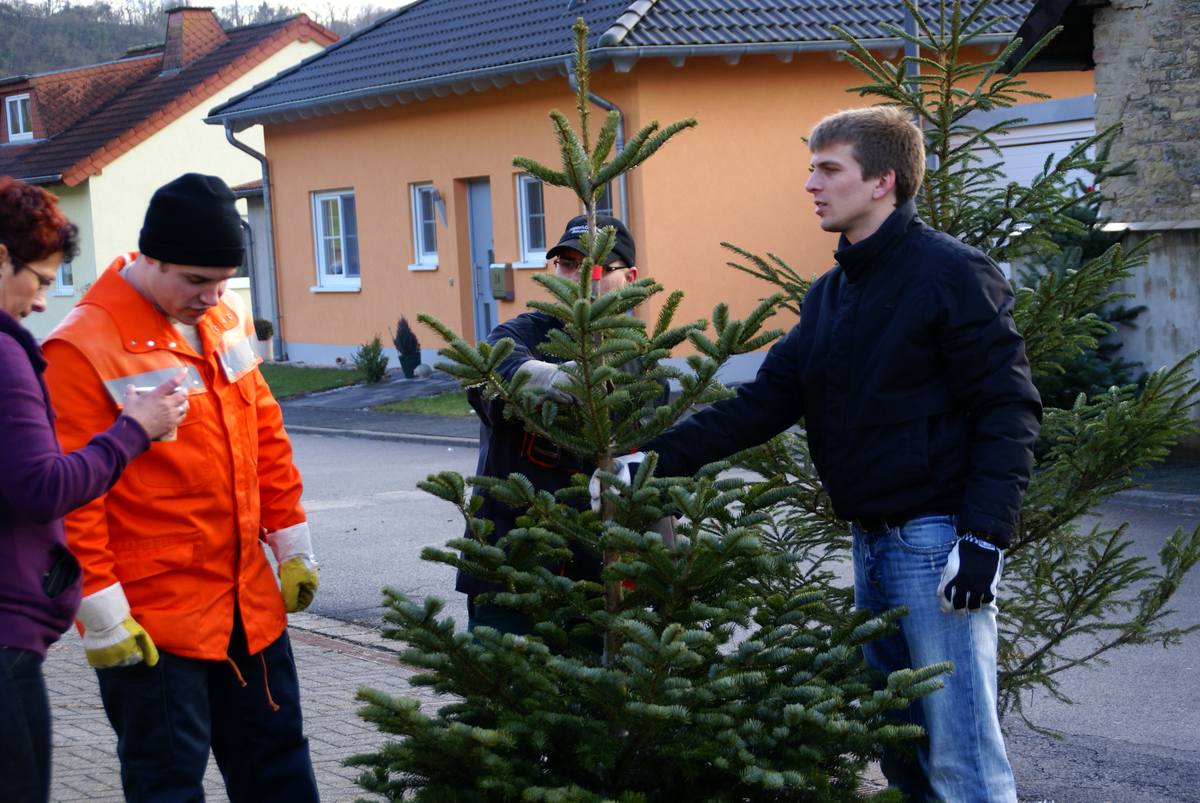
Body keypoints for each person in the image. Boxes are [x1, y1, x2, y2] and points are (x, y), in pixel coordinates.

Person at [621, 108, 1041, 802]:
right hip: (873, 549)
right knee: (904, 746)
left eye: (828, 168)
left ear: (883, 181)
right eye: (812, 167)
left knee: (964, 760)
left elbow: (1009, 405)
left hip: (935, 548)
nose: (810, 184)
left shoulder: (952, 274)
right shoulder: (832, 296)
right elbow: (762, 403)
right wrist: (653, 459)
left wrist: (985, 537)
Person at [42, 173, 322, 803]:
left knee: (279, 767)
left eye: (223, 281)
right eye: (195, 280)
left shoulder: (222, 322)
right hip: (155, 623)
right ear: (149, 257)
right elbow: (72, 499)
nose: (211, 296)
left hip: (247, 605)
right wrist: (104, 616)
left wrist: (292, 543)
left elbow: (265, 435)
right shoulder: (82, 349)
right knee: (168, 785)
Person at [0, 176, 186, 803]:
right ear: (1, 258)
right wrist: (133, 430)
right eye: (42, 280)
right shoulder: (5, 354)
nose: (40, 303)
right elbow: (42, 487)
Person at [459, 214, 643, 635]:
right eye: (566, 264)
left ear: (629, 278)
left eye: (593, 267)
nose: (576, 276)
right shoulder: (523, 332)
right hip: (509, 566)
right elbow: (488, 370)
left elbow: (648, 451)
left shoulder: (635, 358)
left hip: (594, 574)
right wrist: (551, 379)